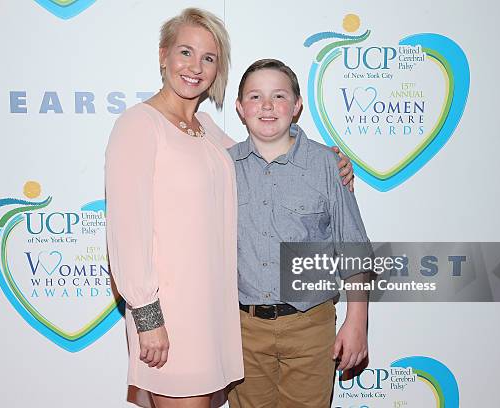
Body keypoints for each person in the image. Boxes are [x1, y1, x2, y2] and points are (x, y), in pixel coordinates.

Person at [105, 9, 354, 407]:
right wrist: (148, 320)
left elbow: (266, 153)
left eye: (209, 58)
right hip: (169, 317)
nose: (195, 67)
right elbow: (126, 232)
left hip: (216, 319)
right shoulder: (140, 125)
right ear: (163, 55)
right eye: (186, 52)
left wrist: (331, 161)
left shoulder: (207, 132)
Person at [227, 59, 371, 408]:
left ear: (297, 106)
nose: (266, 106)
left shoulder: (326, 164)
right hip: (243, 330)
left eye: (278, 96)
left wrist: (357, 322)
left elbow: (353, 249)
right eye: (255, 96)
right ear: (240, 108)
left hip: (311, 326)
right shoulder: (223, 166)